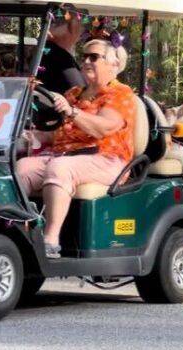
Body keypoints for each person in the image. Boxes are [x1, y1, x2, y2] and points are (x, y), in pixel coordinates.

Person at [18, 38, 136, 259]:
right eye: (84, 57)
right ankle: (14, 232)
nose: (86, 61)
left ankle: (50, 241)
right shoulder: (74, 94)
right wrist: (35, 136)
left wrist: (73, 112)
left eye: (94, 57)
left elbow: (103, 128)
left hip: (106, 158)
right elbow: (62, 134)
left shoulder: (121, 94)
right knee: (21, 168)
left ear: (114, 64)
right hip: (65, 155)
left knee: (60, 168)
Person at [37, 15, 86, 95]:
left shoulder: (44, 51)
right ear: (73, 30)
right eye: (79, 29)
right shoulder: (61, 57)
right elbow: (79, 90)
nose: (79, 35)